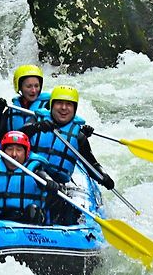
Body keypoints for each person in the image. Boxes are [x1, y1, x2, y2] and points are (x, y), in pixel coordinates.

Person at [19, 85, 115, 224]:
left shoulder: (78, 136)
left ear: (74, 109)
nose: (64, 108)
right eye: (59, 103)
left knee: (69, 213)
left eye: (68, 104)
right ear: (52, 106)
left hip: (56, 187)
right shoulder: (36, 122)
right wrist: (36, 128)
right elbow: (16, 138)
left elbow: (91, 164)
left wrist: (103, 177)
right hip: (30, 178)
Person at [0, 131, 59, 224]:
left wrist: (50, 183)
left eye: (19, 150)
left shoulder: (35, 170)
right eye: (9, 149)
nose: (14, 154)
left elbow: (45, 179)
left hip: (25, 224)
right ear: (3, 152)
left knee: (33, 210)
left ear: (26, 153)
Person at [0, 65, 50, 142]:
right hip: (16, 152)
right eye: (29, 86)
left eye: (36, 86)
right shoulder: (11, 111)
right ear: (19, 87)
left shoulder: (49, 106)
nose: (33, 90)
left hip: (40, 153)